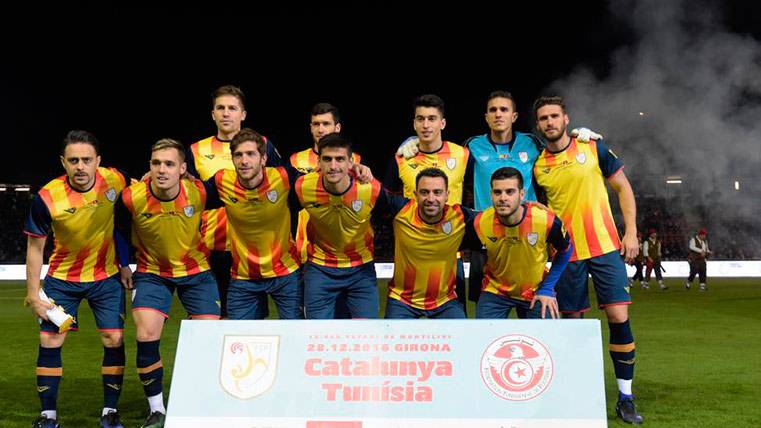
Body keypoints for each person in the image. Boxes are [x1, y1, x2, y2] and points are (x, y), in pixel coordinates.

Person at [532, 96, 643, 424]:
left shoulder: (592, 146)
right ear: (538, 125)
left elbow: (623, 188)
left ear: (566, 119)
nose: (550, 122)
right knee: (573, 326)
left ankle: (625, 398)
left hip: (605, 246)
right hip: (566, 255)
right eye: (543, 118)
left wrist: (631, 231)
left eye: (554, 116)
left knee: (619, 318)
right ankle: (577, 396)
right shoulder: (537, 166)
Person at [24, 130, 130, 428]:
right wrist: (33, 294)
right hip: (62, 280)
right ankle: (48, 416)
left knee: (114, 338)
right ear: (63, 162)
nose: (80, 166)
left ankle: (110, 412)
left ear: (98, 161)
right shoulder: (47, 197)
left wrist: (124, 262)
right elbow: (35, 248)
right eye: (73, 161)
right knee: (50, 339)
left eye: (86, 160)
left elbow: (145, 188)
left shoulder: (115, 179)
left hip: (105, 278)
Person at [117, 139, 221, 428]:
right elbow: (118, 229)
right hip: (152, 272)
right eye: (156, 163)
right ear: (149, 166)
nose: (162, 169)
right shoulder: (131, 197)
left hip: (196, 271)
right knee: (146, 333)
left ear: (183, 169)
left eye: (169, 164)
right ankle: (157, 410)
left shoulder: (199, 192)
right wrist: (123, 263)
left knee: (208, 338)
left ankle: (200, 402)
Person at [185, 85, 283, 317]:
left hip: (255, 250)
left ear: (243, 114)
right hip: (212, 248)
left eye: (232, 108)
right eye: (221, 108)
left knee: (252, 322)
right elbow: (187, 197)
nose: (226, 113)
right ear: (213, 114)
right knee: (212, 319)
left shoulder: (262, 145)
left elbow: (281, 187)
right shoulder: (196, 150)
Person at [384, 94, 472, 314]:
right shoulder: (401, 158)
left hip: (451, 254)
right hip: (412, 253)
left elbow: (478, 189)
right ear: (414, 123)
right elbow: (387, 201)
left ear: (442, 123)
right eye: (420, 119)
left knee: (455, 328)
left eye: (432, 119)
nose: (425, 125)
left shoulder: (462, 155)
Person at [206, 128, 302, 319]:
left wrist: (355, 170)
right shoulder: (222, 180)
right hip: (243, 277)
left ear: (263, 158)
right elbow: (191, 193)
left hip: (286, 273)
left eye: (250, 154)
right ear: (232, 159)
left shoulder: (284, 177)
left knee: (295, 333)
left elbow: (321, 181)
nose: (244, 161)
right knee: (239, 336)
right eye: (238, 155)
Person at [294, 134, 382, 319]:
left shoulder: (370, 188)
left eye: (340, 159)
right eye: (327, 159)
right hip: (320, 268)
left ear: (351, 162)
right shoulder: (303, 186)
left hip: (361, 269)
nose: (333, 166)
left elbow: (402, 212)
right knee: (318, 333)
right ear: (318, 162)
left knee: (367, 332)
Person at [290, 103, 361, 318]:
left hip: (346, 254)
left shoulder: (355, 161)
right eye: (316, 124)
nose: (321, 129)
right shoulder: (295, 160)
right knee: (312, 323)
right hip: (306, 253)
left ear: (337, 127)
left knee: (345, 321)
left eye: (326, 124)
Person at [473, 167, 572, 319]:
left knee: (548, 332)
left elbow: (566, 250)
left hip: (535, 290)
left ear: (522, 194)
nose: (503, 198)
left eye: (510, 192)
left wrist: (547, 288)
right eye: (497, 192)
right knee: (482, 333)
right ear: (491, 194)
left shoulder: (546, 220)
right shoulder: (480, 222)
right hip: (495, 290)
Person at [385, 168, 476, 319]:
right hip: (402, 300)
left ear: (447, 195)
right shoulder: (401, 211)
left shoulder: (460, 216)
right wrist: (361, 172)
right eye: (424, 192)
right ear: (415, 195)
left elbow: (495, 218)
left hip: (445, 302)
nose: (431, 198)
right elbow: (373, 193)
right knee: (390, 335)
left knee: (462, 333)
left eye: (437, 192)